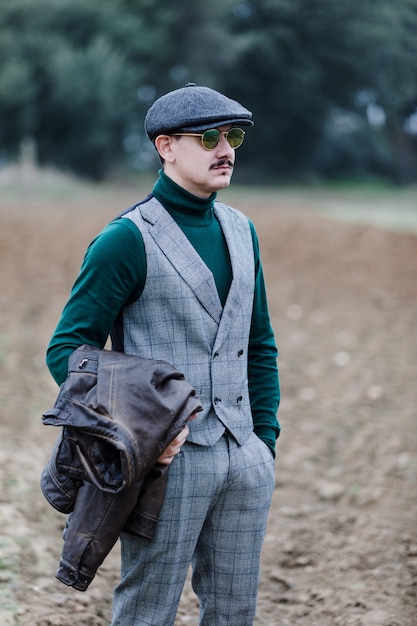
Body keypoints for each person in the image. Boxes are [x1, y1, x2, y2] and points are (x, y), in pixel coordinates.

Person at [46, 82, 280, 626]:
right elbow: (68, 349)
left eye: (235, 136)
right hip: (165, 465)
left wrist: (263, 442)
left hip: (243, 455)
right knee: (148, 610)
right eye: (210, 137)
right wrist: (135, 429)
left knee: (235, 612)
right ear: (166, 147)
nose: (227, 149)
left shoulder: (243, 231)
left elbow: (259, 342)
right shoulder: (125, 239)